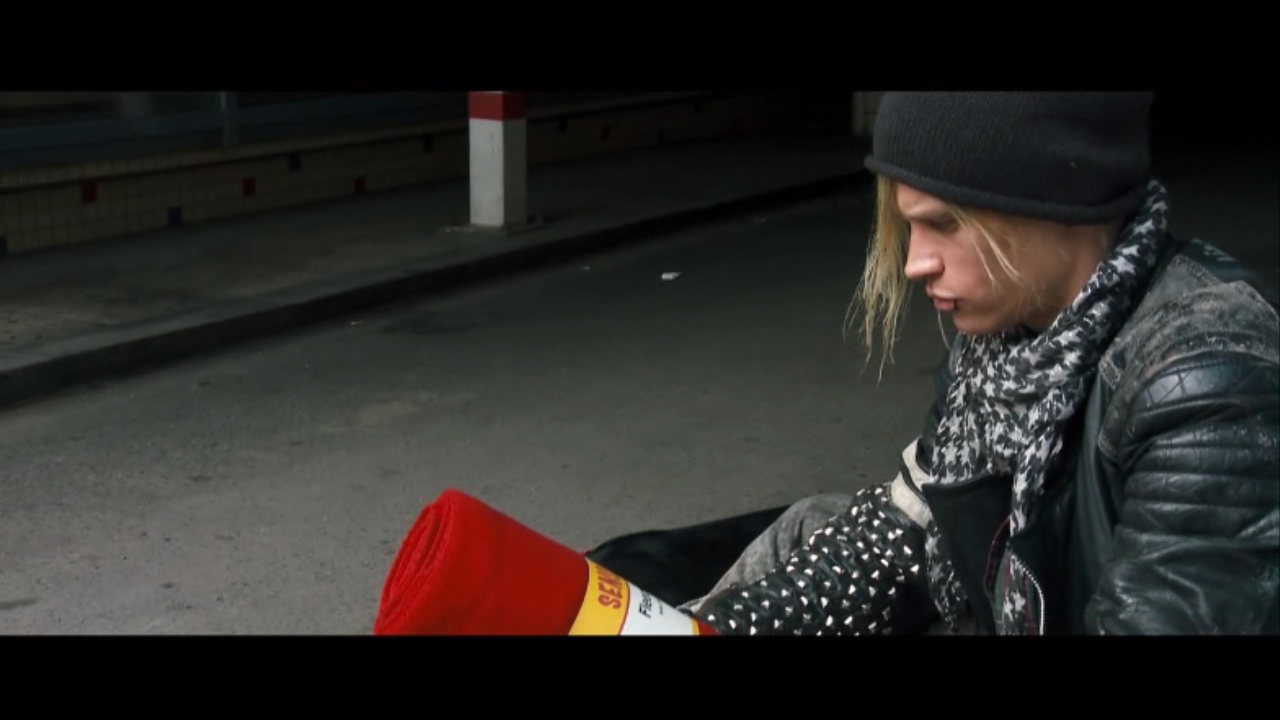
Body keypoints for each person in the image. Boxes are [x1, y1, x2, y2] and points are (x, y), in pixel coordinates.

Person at [681, 92, 1280, 635]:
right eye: (909, 225)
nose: (915, 263)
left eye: (944, 224)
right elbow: (905, 530)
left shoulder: (1205, 377)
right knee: (809, 527)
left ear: (1057, 200)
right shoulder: (1000, 344)